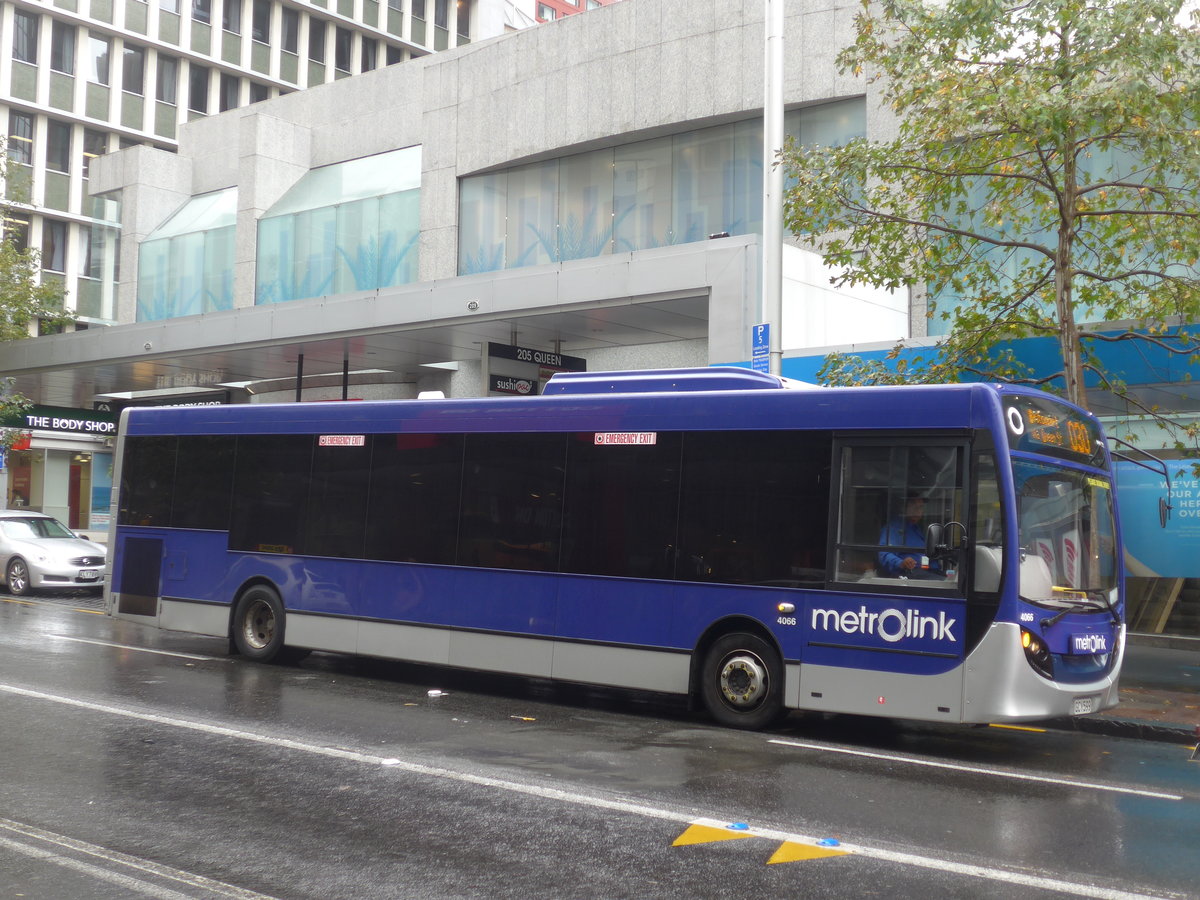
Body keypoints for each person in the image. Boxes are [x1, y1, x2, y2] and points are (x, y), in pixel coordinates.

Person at [877, 495, 941, 578]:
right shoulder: (893, 528)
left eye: (920, 507)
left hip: (926, 570)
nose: (918, 511)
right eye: (914, 507)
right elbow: (884, 553)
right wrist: (901, 563)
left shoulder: (916, 529)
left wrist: (936, 567)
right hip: (907, 573)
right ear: (903, 508)